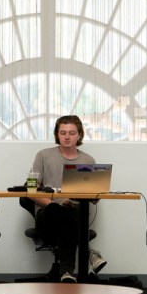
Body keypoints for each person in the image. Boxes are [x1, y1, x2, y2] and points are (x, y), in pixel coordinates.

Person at [29, 115, 106, 283]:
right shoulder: (42, 155)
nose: (67, 136)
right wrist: (55, 202)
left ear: (79, 135)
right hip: (48, 212)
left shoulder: (88, 160)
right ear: (57, 135)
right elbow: (31, 189)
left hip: (75, 212)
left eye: (72, 133)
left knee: (68, 215)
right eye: (63, 132)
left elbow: (92, 196)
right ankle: (90, 253)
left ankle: (66, 274)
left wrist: (95, 195)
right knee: (57, 210)